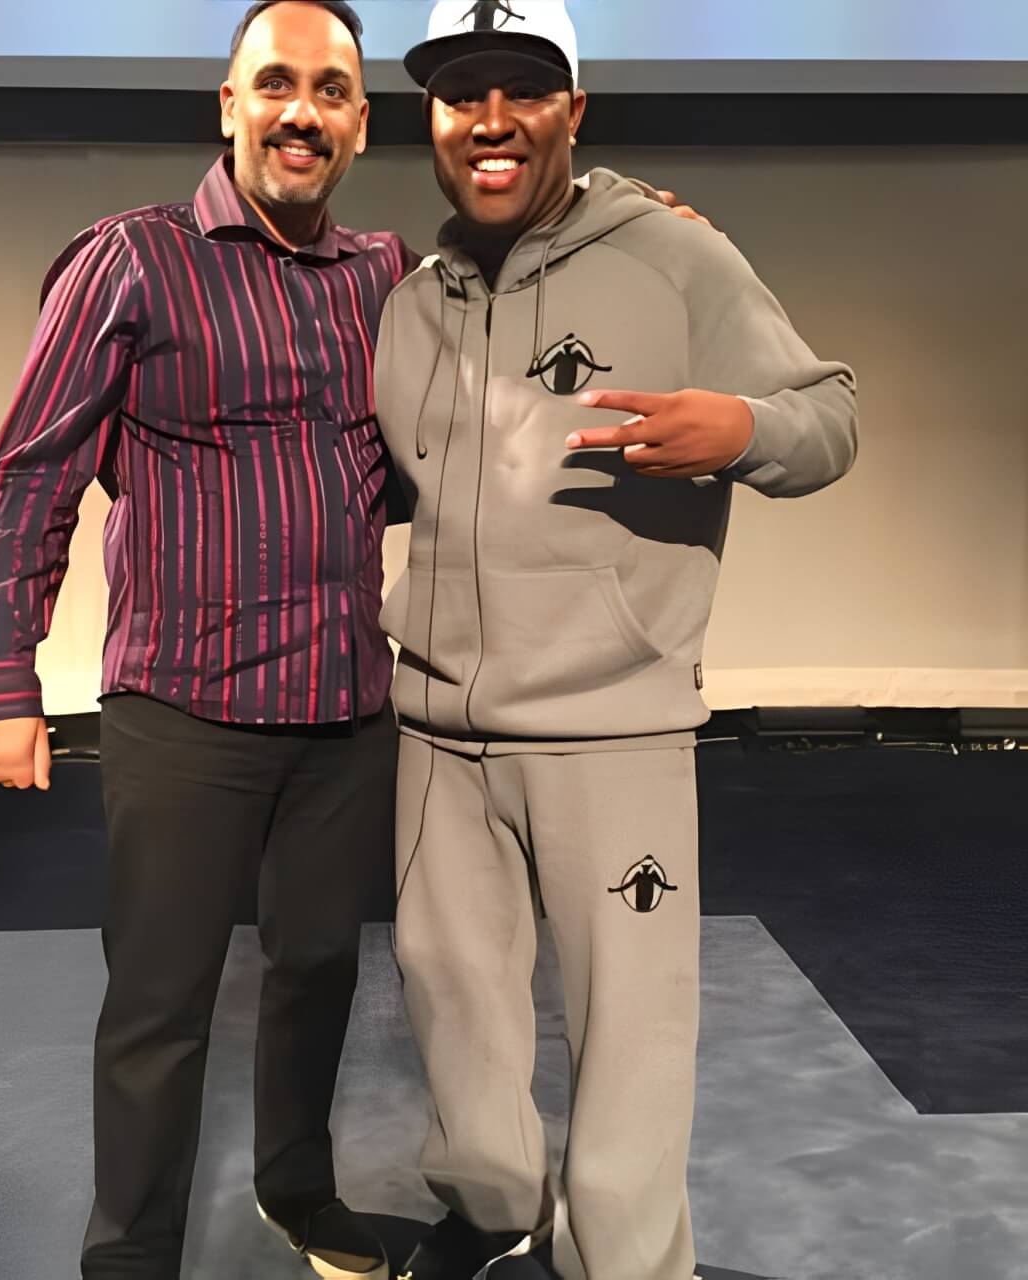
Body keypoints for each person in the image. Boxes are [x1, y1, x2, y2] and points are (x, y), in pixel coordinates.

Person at [0, 2, 713, 1276]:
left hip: (346, 708)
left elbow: (461, 414)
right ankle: (129, 1250)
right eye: (274, 84)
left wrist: (633, 224)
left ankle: (295, 1188)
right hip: (181, 711)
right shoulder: (131, 259)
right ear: (229, 105)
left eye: (329, 92)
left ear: (361, 125)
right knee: (158, 1003)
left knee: (315, 970)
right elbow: (28, 473)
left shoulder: (384, 277)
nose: (299, 112)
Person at [373, 3, 858, 1279]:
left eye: (522, 88)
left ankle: (627, 1262)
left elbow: (828, 416)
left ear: (573, 111)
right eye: (460, 92)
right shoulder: (411, 301)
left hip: (611, 727)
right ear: (430, 120)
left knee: (630, 1030)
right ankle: (489, 1220)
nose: (489, 119)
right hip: (436, 729)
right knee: (449, 997)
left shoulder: (671, 256)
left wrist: (741, 429)